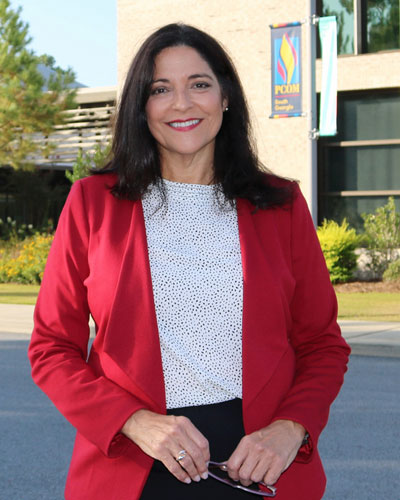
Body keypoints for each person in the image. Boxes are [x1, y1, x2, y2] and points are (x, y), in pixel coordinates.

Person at [28, 23, 350, 500]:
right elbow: (51, 348)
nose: (182, 103)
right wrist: (133, 421)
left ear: (225, 97)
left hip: (262, 465)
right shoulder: (93, 202)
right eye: (161, 89)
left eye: (199, 84)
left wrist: (290, 427)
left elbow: (322, 344)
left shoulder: (281, 204)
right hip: (136, 463)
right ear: (142, 108)